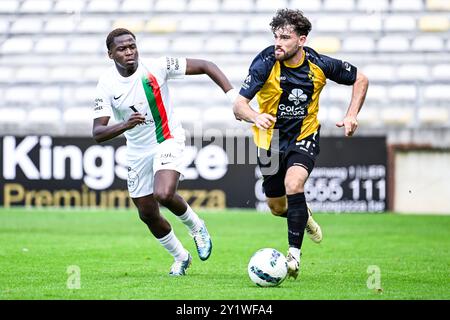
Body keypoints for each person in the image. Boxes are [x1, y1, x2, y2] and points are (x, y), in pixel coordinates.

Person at [233, 9, 369, 279]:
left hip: (303, 136)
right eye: (275, 36)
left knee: (294, 184)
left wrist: (352, 114)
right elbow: (238, 106)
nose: (278, 43)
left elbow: (360, 79)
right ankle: (303, 216)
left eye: (285, 37)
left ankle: (293, 256)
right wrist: (255, 115)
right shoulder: (264, 62)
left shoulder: (318, 64)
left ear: (302, 40)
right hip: (269, 142)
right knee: (276, 207)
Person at [92, 28, 236, 276]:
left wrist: (234, 97)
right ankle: (181, 257)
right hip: (137, 150)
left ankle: (197, 227)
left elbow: (206, 65)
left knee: (164, 193)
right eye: (122, 49)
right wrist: (126, 124)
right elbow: (98, 133)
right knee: (147, 213)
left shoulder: (156, 67)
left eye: (132, 46)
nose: (129, 52)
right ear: (110, 54)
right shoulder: (106, 84)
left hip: (167, 139)